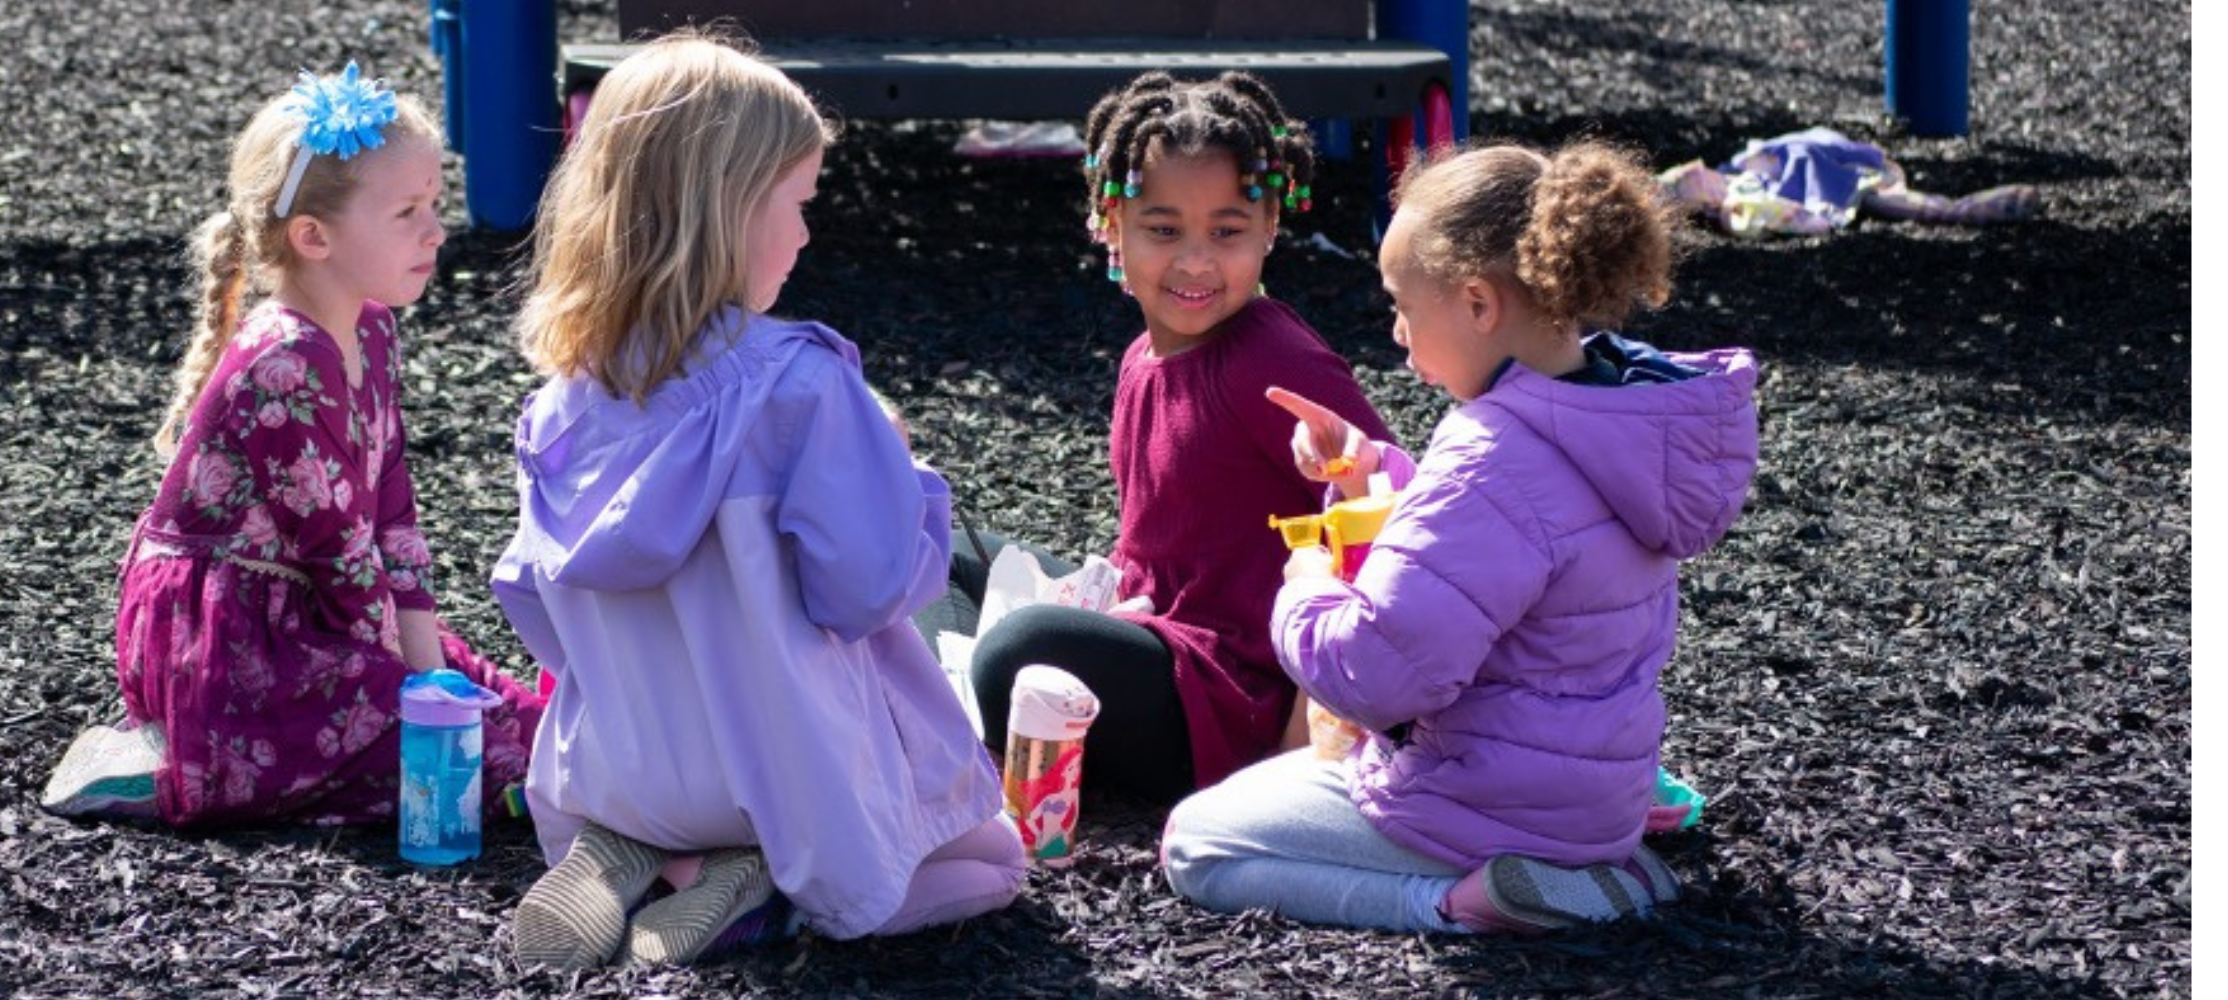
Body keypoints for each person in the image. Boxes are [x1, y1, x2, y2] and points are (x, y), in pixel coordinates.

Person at [489, 29, 1023, 970]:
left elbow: (533, 604)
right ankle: (763, 888)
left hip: (618, 767)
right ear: (728, 207)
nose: (810, 233)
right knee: (990, 862)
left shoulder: (560, 406)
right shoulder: (798, 385)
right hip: (786, 779)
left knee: (674, 780)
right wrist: (905, 479)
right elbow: (868, 589)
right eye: (800, 203)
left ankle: (650, 850)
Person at [1159, 139, 1760, 935]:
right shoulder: (1616, 420)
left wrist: (1303, 590)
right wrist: (1369, 470)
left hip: (1478, 805)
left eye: (1402, 305)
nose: (1397, 333)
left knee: (1197, 844)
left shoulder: (1491, 459)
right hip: (1593, 797)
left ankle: (1456, 905)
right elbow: (1501, 552)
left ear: (1477, 304)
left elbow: (1378, 676)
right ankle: (1608, 873)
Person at [38, 64, 543, 827]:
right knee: (455, 753)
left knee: (503, 708)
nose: (437, 231)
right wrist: (410, 685)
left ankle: (509, 752)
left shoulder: (371, 328)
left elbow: (390, 508)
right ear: (313, 237)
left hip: (315, 597)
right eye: (407, 211)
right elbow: (339, 555)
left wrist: (427, 666)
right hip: (238, 629)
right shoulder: (282, 364)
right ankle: (161, 765)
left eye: (435, 204)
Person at [960, 71, 1396, 805]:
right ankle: (979, 710)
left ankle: (971, 716)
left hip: (1230, 706)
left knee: (1018, 647)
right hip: (1160, 631)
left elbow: (1390, 515)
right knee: (933, 546)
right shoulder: (1142, 357)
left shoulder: (1272, 357)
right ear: (1110, 223)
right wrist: (1111, 605)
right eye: (1164, 231)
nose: (1196, 262)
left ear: (1269, 229)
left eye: (1226, 232)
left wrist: (1305, 727)